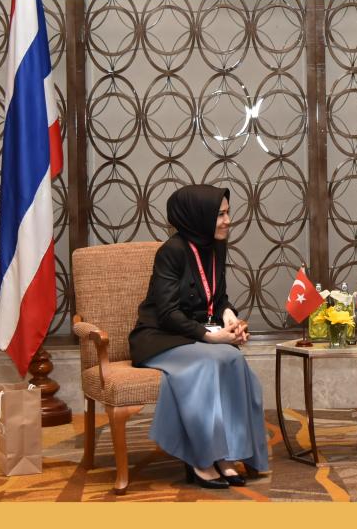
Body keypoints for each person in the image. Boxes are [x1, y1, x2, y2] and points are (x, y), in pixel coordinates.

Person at [129, 184, 268, 489]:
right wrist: (210, 337)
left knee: (232, 358)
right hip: (160, 337)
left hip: (195, 335)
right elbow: (167, 313)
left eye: (228, 213)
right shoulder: (172, 251)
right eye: (220, 214)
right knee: (210, 361)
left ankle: (226, 454)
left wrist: (229, 316)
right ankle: (202, 459)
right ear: (199, 216)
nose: (228, 220)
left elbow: (218, 297)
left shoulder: (216, 246)